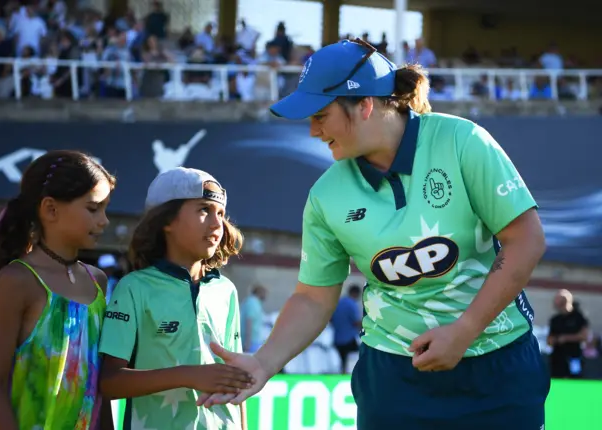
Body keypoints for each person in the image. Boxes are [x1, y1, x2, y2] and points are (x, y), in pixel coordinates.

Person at [199, 38, 550, 430]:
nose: (313, 131)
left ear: (365, 104)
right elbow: (314, 297)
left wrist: (465, 330)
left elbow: (526, 239)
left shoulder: (463, 142)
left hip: (498, 369)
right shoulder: (325, 196)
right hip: (394, 379)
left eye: (321, 115)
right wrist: (263, 363)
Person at [98, 167, 253, 429]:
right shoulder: (133, 288)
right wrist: (188, 376)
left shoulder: (226, 290)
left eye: (220, 213)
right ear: (166, 221)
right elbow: (109, 382)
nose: (217, 224)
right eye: (204, 209)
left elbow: (234, 380)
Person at [0, 150, 116, 429]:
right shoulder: (18, 279)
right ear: (50, 209)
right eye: (93, 208)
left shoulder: (97, 281)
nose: (105, 220)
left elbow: (98, 387)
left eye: (105, 208)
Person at [547, 289, 589, 378]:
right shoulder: (555, 320)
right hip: (558, 357)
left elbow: (584, 336)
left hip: (574, 356)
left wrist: (565, 338)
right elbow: (549, 340)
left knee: (575, 379)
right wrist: (554, 340)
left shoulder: (579, 317)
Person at [330, 284, 362, 374]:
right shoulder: (352, 304)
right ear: (356, 294)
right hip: (349, 339)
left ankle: (342, 373)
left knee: (342, 360)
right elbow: (356, 322)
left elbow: (331, 319)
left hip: (337, 338)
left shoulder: (338, 303)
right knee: (354, 359)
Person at [240, 284, 267, 353]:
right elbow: (249, 321)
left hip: (254, 341)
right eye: (264, 293)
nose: (266, 295)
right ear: (259, 292)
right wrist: (247, 342)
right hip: (250, 342)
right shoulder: (252, 302)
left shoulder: (256, 302)